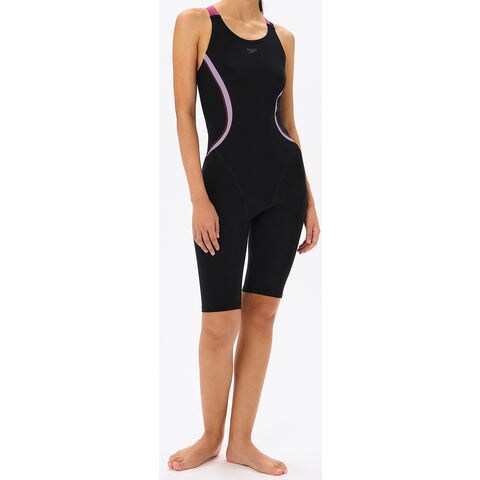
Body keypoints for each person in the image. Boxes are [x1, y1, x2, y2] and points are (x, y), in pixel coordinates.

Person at [170, 0, 320, 475]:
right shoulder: (195, 24)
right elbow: (184, 114)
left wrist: (309, 199)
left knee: (263, 315)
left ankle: (241, 442)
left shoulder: (284, 38)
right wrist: (198, 197)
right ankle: (210, 437)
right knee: (219, 323)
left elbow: (288, 124)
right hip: (223, 189)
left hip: (284, 188)